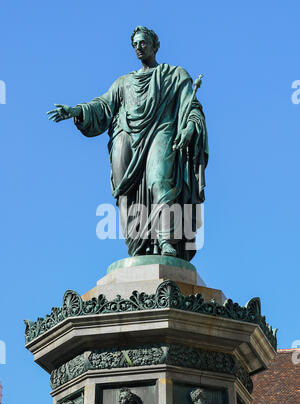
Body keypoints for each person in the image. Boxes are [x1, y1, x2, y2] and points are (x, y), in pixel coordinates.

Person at [47, 26, 208, 261]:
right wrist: (77, 111)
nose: (138, 48)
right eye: (134, 44)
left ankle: (165, 240)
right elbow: (103, 106)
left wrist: (190, 126)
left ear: (155, 45)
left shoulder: (174, 75)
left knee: (160, 180)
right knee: (125, 193)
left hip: (161, 131)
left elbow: (191, 108)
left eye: (142, 43)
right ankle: (138, 247)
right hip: (126, 136)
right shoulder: (123, 83)